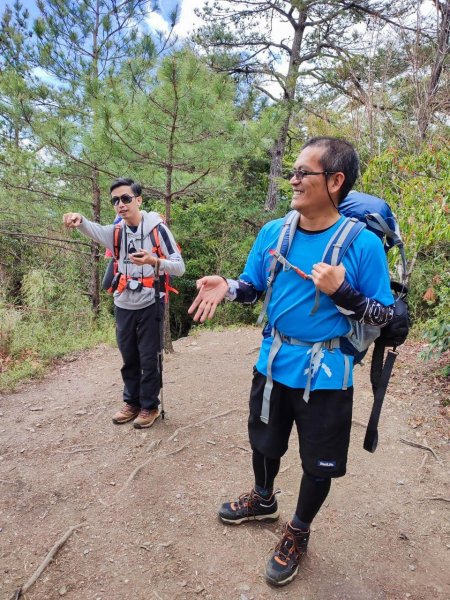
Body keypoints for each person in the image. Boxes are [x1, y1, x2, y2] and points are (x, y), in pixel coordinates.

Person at [188, 137, 394, 587]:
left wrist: (344, 293)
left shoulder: (361, 246)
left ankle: (298, 531)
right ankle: (263, 499)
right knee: (264, 440)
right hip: (273, 361)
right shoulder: (273, 233)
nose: (294, 179)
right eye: (294, 171)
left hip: (327, 374)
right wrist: (228, 286)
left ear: (335, 181)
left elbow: (385, 315)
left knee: (319, 461)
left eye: (305, 173)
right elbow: (253, 284)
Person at [63, 178, 185, 428]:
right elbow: (92, 228)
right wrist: (79, 219)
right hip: (123, 302)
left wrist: (154, 261)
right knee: (129, 356)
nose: (120, 204)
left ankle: (149, 406)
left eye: (126, 198)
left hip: (151, 301)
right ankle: (132, 402)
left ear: (139, 200)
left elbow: (180, 267)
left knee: (149, 357)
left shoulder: (157, 230)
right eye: (115, 200)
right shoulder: (116, 232)